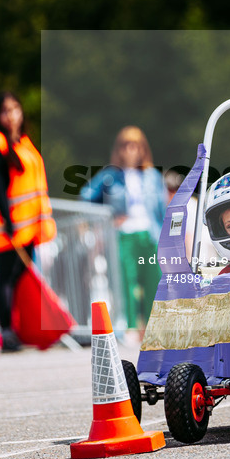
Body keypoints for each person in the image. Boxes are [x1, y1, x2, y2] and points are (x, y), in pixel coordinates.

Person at [0, 92, 56, 352]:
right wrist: (7, 220)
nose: (10, 115)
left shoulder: (23, 142)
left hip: (30, 227)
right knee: (5, 278)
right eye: (4, 111)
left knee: (20, 277)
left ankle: (22, 328)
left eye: (14, 109)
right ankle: (6, 331)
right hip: (9, 227)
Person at [80, 126, 165, 330]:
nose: (130, 150)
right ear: (118, 149)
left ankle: (154, 329)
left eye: (135, 146)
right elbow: (85, 196)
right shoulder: (110, 176)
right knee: (125, 283)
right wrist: (108, 217)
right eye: (125, 146)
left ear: (142, 149)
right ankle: (130, 328)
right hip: (124, 235)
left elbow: (163, 211)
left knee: (154, 281)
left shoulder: (152, 175)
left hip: (149, 234)